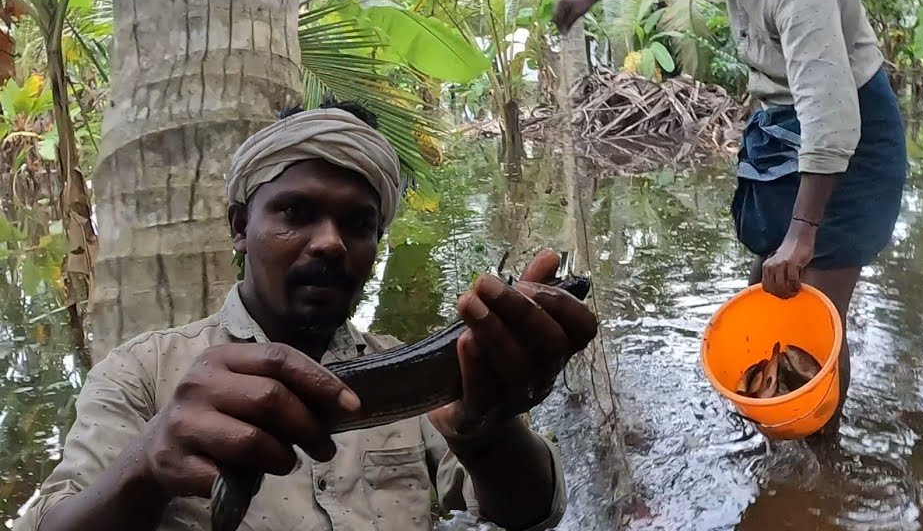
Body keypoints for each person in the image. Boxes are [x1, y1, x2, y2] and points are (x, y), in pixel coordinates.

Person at [17, 101, 597, 531]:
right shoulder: (143, 373)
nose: (330, 244)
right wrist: (146, 465)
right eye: (297, 212)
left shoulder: (416, 376)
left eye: (358, 223)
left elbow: (530, 517)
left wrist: (488, 427)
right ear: (241, 228)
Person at [553, 0, 906, 412]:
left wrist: (804, 231)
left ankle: (821, 459)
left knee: (816, 315)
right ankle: (772, 427)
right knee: (769, 285)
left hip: (848, 137)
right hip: (788, 125)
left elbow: (831, 117)